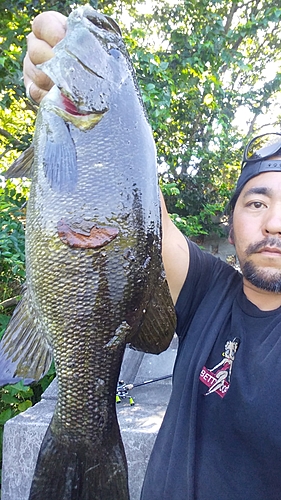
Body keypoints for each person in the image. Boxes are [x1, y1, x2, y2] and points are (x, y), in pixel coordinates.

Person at [24, 11, 281, 500]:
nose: (274, 223)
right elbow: (141, 204)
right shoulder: (210, 292)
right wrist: (54, 64)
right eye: (257, 201)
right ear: (231, 220)